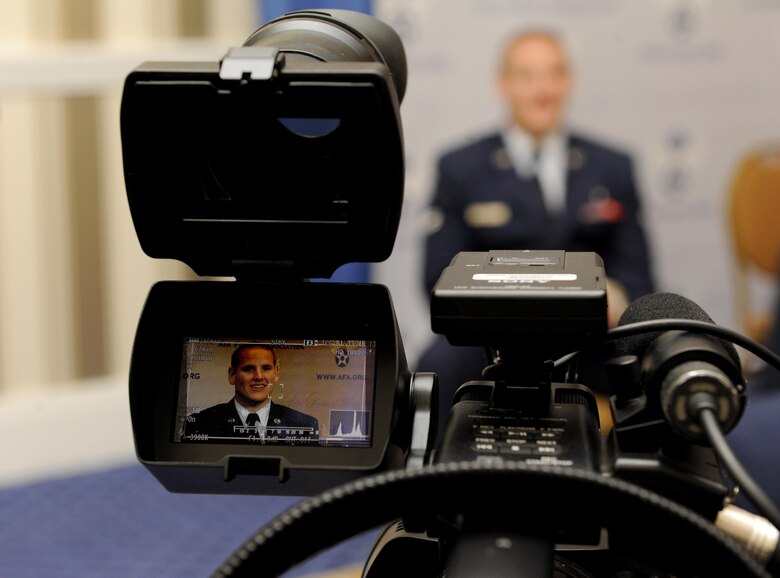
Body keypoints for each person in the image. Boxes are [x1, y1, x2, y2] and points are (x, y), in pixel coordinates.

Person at [417, 29, 656, 431]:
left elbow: (640, 274)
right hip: (491, 345)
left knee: (658, 362)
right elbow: (437, 276)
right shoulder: (460, 168)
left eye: (553, 74)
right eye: (527, 76)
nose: (541, 89)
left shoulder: (613, 166)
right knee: (436, 366)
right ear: (503, 84)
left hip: (590, 341)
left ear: (569, 81)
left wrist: (616, 292)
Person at [185, 344, 319, 442]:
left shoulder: (305, 425)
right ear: (232, 375)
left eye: (266, 368)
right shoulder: (199, 423)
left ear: (276, 373)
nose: (259, 376)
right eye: (249, 369)